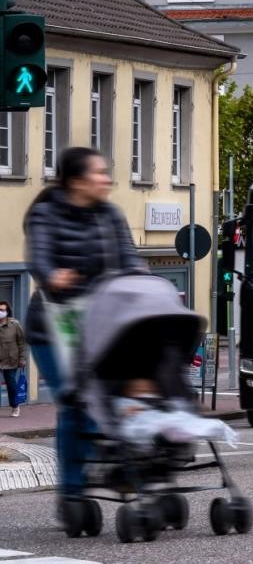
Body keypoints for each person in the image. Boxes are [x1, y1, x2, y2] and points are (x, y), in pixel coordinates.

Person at [24, 146, 145, 505]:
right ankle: (72, 492)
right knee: (74, 400)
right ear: (77, 181)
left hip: (99, 323)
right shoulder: (45, 214)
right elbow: (39, 259)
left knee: (111, 397)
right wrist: (53, 276)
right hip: (52, 327)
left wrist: (143, 280)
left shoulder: (110, 215)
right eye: (99, 173)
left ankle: (108, 465)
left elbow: (129, 259)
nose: (107, 180)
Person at [0, 300, 26, 417]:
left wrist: (22, 359)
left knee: (11, 385)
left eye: (2, 310)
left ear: (7, 311)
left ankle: (15, 407)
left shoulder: (14, 324)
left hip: (11, 360)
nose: (0, 312)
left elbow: (22, 343)